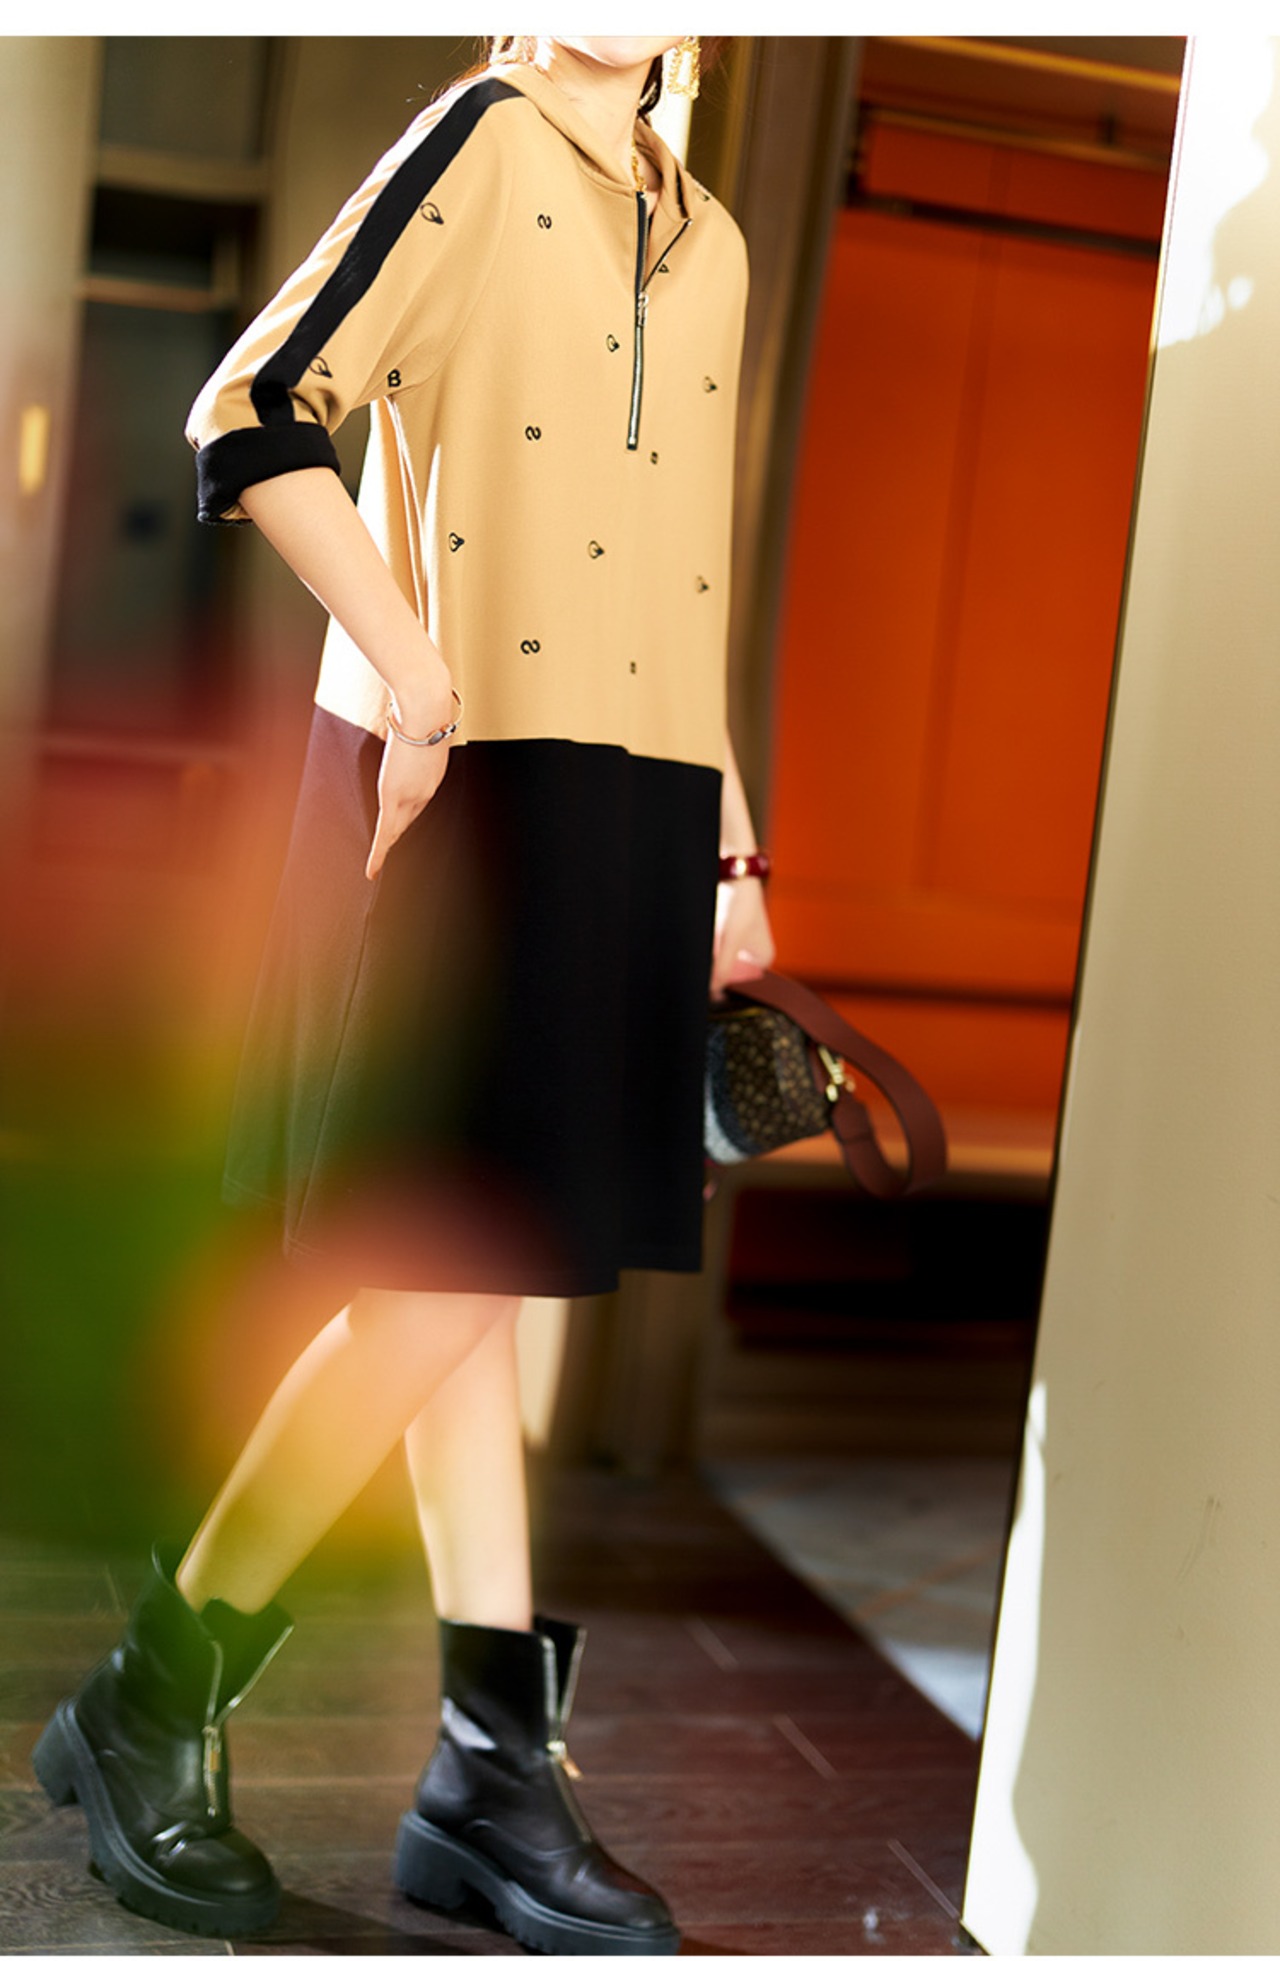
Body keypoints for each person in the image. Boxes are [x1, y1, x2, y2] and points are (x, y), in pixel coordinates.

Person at [31, 34, 774, 1957]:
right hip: (459, 778)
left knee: (481, 1289)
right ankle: (153, 1694)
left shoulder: (710, 242)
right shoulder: (482, 137)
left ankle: (487, 1770)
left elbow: (687, 566)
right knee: (446, 1275)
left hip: (638, 794)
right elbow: (254, 402)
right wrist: (415, 670)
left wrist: (728, 842)